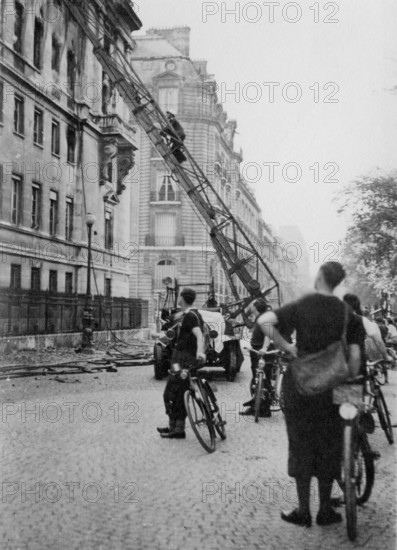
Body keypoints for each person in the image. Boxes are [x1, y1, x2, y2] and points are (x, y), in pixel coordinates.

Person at [256, 262, 365, 527]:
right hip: (334, 389)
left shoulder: (303, 305)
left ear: (319, 277)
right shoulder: (347, 312)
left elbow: (264, 321)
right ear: (338, 283)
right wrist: (347, 376)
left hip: (301, 387)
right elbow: (354, 355)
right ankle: (325, 510)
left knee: (301, 445)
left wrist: (288, 347)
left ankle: (303, 510)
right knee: (330, 446)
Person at [157, 288, 206, 439]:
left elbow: (199, 335)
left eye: (179, 297)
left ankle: (177, 428)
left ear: (183, 299)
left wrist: (199, 351)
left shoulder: (190, 316)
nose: (178, 299)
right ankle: (176, 427)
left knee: (170, 393)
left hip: (182, 360)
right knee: (178, 393)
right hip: (181, 358)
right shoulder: (192, 314)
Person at [240, 299, 273, 417]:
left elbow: (268, 335)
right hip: (256, 352)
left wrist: (264, 348)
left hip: (262, 353)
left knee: (264, 380)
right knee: (257, 379)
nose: (250, 306)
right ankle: (256, 406)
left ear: (255, 307)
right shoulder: (260, 318)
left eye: (252, 304)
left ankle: (265, 409)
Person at [343, 294, 388, 365]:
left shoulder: (336, 320)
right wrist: (386, 357)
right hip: (359, 362)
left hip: (340, 364)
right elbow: (379, 342)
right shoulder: (362, 320)